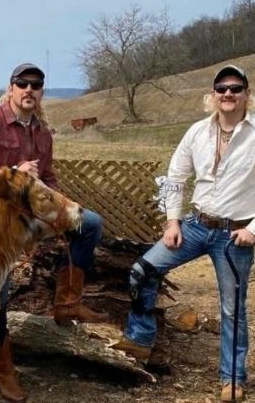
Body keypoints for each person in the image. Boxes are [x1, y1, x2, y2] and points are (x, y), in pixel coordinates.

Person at [0, 62, 109, 403]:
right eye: (22, 83)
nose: (29, 89)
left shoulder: (41, 130)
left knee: (91, 224)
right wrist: (12, 173)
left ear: (41, 92)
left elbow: (50, 178)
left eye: (36, 85)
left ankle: (67, 302)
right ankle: (4, 368)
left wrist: (62, 206)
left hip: (33, 217)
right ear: (10, 88)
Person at [113, 65, 255, 402]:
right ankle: (140, 341)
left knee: (232, 308)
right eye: (222, 88)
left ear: (247, 94)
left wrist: (252, 229)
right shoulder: (196, 132)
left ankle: (232, 377)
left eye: (236, 88)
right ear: (213, 94)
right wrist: (173, 221)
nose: (228, 94)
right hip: (195, 225)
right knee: (142, 271)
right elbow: (175, 178)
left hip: (235, 233)